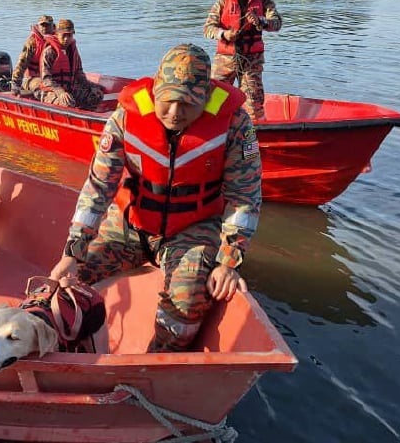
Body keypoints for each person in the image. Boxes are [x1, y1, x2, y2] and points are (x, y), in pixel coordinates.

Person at [49, 43, 262, 352]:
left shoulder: (235, 123)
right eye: (168, 101)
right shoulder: (126, 116)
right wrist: (73, 250)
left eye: (188, 104)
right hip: (130, 225)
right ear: (156, 89)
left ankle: (157, 365)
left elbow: (244, 197)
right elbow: (98, 187)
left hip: (193, 229)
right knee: (67, 284)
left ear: (206, 96)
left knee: (186, 306)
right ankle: (71, 349)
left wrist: (229, 260)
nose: (175, 113)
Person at [203, 0, 282, 121]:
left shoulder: (264, 0)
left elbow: (277, 23)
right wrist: (224, 34)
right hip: (225, 59)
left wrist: (262, 22)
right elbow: (208, 28)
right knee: (214, 100)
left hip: (252, 60)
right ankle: (211, 128)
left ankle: (257, 133)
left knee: (254, 101)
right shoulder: (223, 1)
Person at [33, 18, 104, 111]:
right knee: (67, 102)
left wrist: (92, 87)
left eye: (69, 35)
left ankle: (86, 118)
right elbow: (46, 80)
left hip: (69, 88)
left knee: (96, 96)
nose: (66, 39)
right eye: (64, 35)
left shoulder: (73, 51)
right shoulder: (49, 52)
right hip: (50, 91)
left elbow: (79, 74)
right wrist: (60, 92)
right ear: (57, 34)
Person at [9, 15, 55, 95]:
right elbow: (21, 65)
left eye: (47, 25)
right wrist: (15, 85)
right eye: (42, 25)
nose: (45, 28)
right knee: (42, 86)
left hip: (52, 78)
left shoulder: (58, 41)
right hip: (32, 78)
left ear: (53, 27)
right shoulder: (32, 42)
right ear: (38, 26)